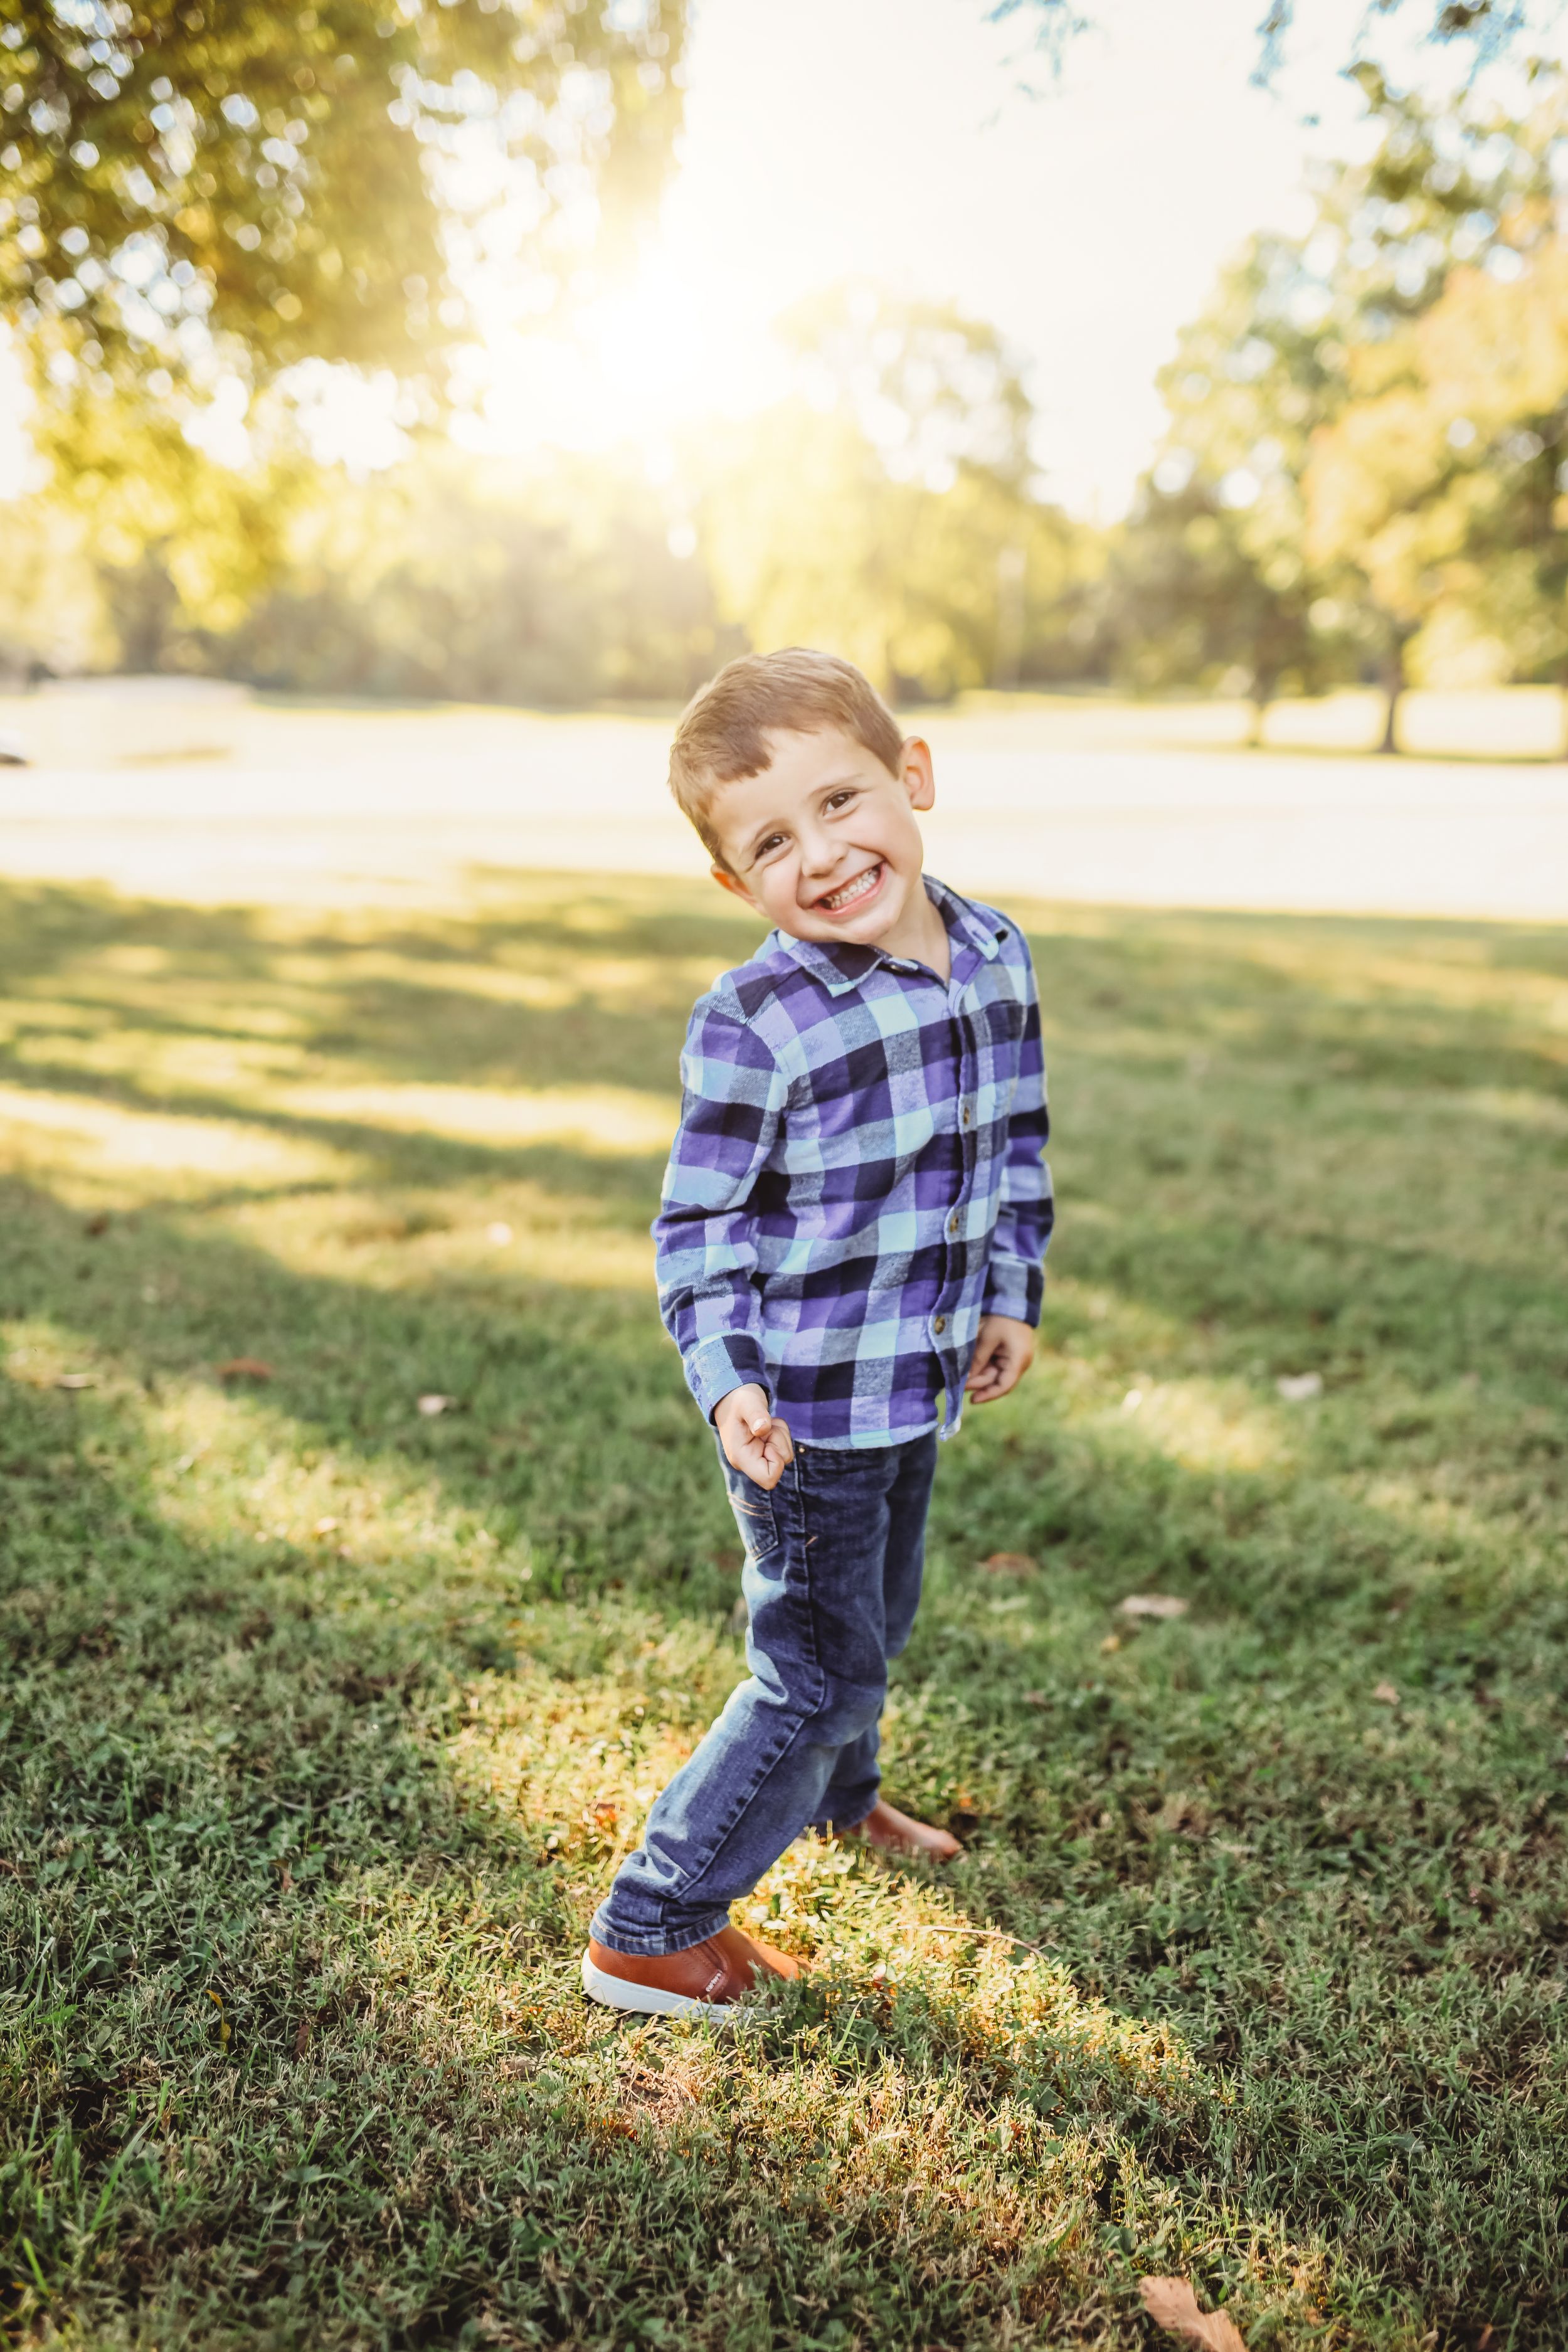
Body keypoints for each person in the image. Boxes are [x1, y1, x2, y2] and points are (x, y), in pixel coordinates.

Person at [582, 648, 1052, 2020]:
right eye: (772, 843)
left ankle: (843, 1802)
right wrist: (727, 1383)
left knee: (877, 1622)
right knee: (815, 1671)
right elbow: (699, 1224)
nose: (824, 855)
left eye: (841, 801)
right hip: (800, 1415)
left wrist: (1010, 1290)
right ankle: (652, 1922)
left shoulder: (993, 954)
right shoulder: (756, 1021)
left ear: (913, 776)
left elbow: (1013, 1143)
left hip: (916, 1378)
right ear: (735, 883)